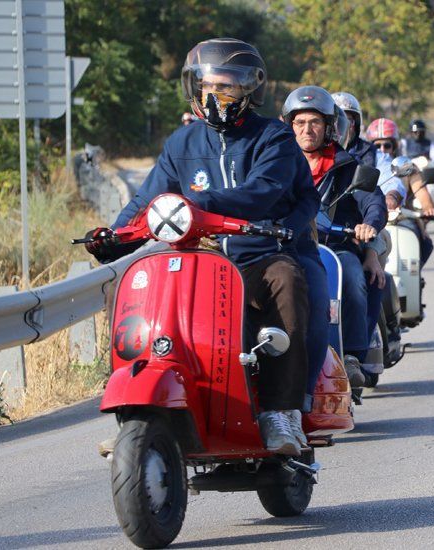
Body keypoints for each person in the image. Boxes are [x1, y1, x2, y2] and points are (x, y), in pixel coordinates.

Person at [83, 39, 318, 456]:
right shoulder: (182, 143)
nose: (215, 98)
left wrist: (197, 205)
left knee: (286, 279)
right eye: (208, 87)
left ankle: (281, 412)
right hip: (195, 260)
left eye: (226, 89)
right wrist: (115, 238)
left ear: (250, 91)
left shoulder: (275, 138)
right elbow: (148, 201)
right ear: (194, 88)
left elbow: (261, 192)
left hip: (256, 256)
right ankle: (138, 413)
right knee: (138, 295)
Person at [283, 86, 388, 389]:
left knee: (352, 275)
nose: (307, 130)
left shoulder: (346, 166)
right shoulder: (277, 163)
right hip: (286, 246)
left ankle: (353, 356)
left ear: (329, 127)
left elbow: (373, 200)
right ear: (289, 127)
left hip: (334, 248)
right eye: (299, 123)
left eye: (314, 123)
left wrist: (369, 224)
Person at [368, 118, 434, 265]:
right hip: (372, 220)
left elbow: (422, 192)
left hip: (401, 219)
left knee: (425, 244)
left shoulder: (407, 168)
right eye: (377, 146)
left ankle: (414, 279)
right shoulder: (364, 168)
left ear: (395, 146)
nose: (382, 150)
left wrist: (428, 208)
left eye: (387, 145)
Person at [332, 91, 377, 168]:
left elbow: (374, 171)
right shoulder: (318, 148)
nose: (344, 127)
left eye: (348, 121)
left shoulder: (367, 150)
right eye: (339, 122)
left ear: (356, 124)